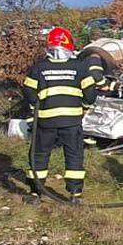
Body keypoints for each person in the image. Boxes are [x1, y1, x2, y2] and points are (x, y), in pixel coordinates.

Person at [23, 27, 98, 203]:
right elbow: (91, 94)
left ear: (49, 47)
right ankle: (75, 194)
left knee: (39, 155)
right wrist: (84, 107)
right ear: (70, 46)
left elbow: (28, 91)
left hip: (45, 121)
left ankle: (36, 193)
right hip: (72, 121)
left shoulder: (38, 68)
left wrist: (35, 105)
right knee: (74, 155)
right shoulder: (80, 68)